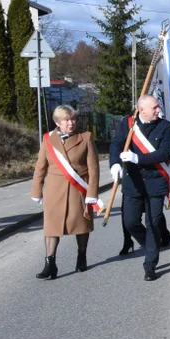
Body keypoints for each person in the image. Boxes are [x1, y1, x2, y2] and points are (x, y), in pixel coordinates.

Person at [31, 105, 100, 279]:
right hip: (55, 191)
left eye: (73, 119)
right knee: (51, 228)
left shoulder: (85, 138)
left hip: (78, 189)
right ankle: (50, 264)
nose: (71, 123)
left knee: (81, 225)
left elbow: (93, 168)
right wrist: (36, 190)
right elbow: (40, 167)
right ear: (57, 122)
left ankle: (82, 255)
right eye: (66, 120)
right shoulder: (48, 139)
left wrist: (92, 193)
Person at [110, 94, 170, 281]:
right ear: (141, 110)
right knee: (130, 223)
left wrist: (138, 158)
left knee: (153, 223)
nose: (158, 110)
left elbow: (164, 152)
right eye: (154, 107)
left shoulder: (165, 126)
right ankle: (151, 246)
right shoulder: (127, 124)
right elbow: (116, 144)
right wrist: (114, 163)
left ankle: (150, 264)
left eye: (158, 107)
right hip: (133, 182)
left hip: (155, 182)